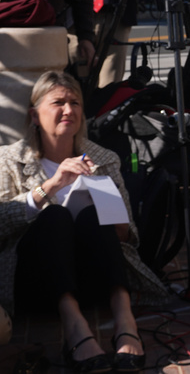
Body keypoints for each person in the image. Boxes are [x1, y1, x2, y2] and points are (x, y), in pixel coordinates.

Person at [0, 71, 167, 373]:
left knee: (92, 215)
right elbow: (0, 226)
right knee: (55, 216)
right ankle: (75, 327)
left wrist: (104, 197)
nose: (69, 110)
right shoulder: (9, 159)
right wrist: (50, 187)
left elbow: (127, 237)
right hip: (36, 282)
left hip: (94, 278)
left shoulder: (103, 158)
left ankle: (124, 320)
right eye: (58, 102)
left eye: (75, 102)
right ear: (34, 115)